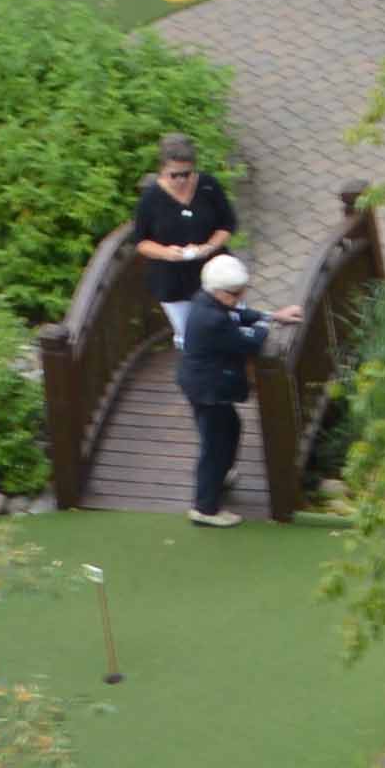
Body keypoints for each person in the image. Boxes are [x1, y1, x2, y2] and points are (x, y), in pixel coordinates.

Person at [172, 253, 273, 529]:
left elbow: (239, 314)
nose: (241, 297)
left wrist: (270, 315)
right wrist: (265, 325)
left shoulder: (205, 300)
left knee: (230, 428)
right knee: (214, 445)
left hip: (201, 382)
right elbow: (250, 342)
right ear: (220, 292)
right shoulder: (212, 320)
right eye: (236, 293)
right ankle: (204, 508)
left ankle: (221, 476)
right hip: (207, 388)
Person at [125, 135, 241, 298]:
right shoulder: (150, 198)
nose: (181, 180)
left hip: (216, 276)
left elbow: (227, 224)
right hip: (173, 284)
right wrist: (166, 253)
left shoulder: (208, 186)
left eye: (186, 174)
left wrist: (209, 247)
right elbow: (141, 242)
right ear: (162, 169)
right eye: (174, 175)